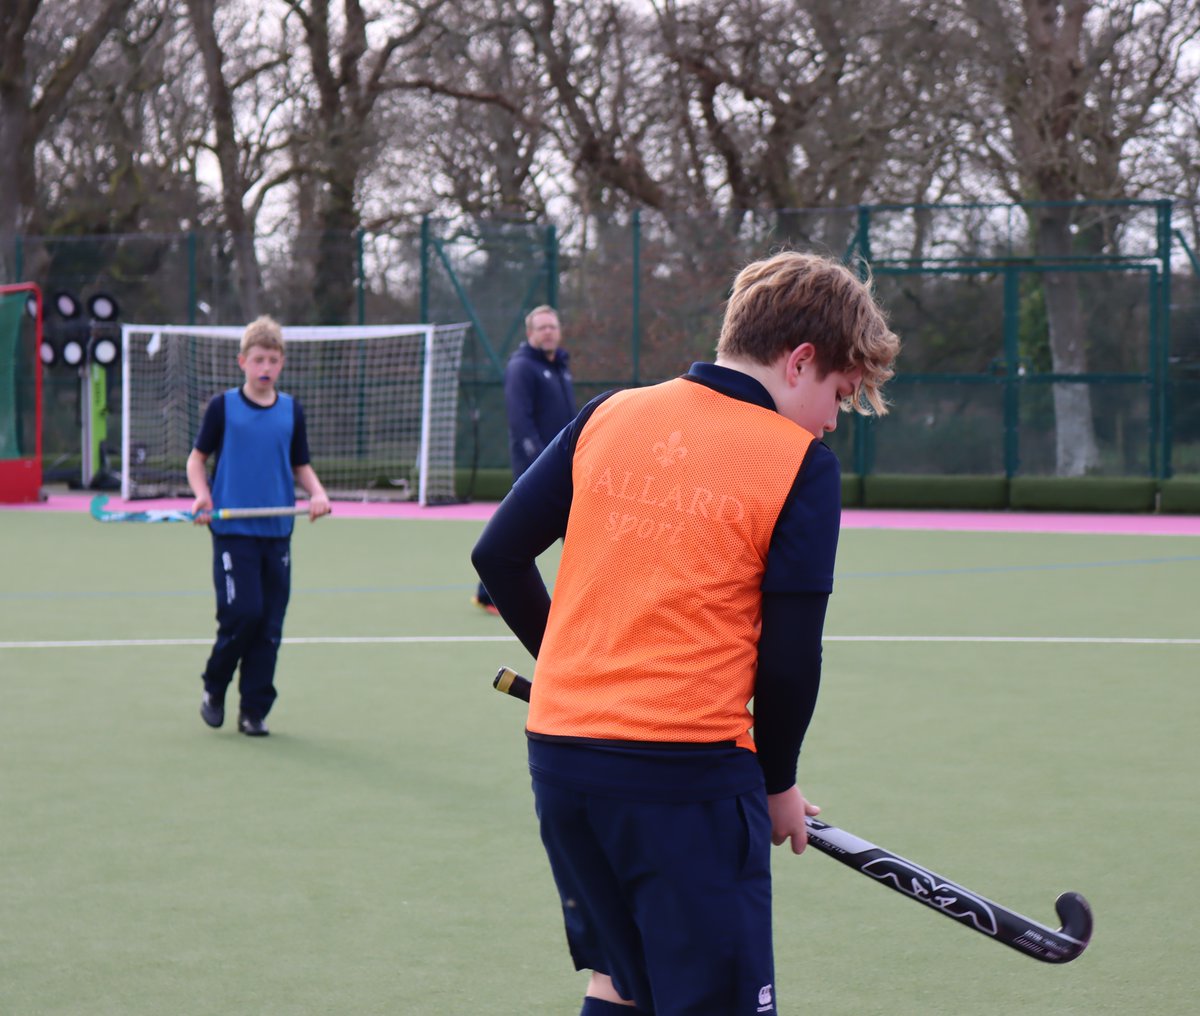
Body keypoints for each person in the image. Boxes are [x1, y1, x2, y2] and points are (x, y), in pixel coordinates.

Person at [472, 251, 900, 1015]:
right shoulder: (801, 464)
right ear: (800, 361)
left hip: (563, 766)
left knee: (621, 984)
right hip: (687, 781)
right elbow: (790, 658)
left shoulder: (610, 413)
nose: (835, 418)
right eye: (840, 392)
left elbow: (497, 555)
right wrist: (779, 781)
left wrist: (573, 668)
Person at [186, 315, 331, 737]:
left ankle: (254, 709)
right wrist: (202, 496)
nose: (265, 367)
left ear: (281, 363)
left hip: (277, 533)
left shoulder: (290, 411)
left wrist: (317, 494)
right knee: (243, 613)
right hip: (233, 532)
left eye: (272, 359)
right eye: (257, 359)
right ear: (242, 362)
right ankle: (214, 686)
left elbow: (300, 465)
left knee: (269, 625)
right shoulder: (223, 407)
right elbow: (197, 460)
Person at [473, 304, 576, 615]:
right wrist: (539, 464)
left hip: (563, 468)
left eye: (552, 327)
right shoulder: (522, 367)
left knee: (571, 530)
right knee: (522, 533)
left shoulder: (559, 366)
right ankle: (489, 593)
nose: (548, 332)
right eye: (542, 327)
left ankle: (488, 593)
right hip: (538, 469)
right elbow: (520, 422)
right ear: (530, 333)